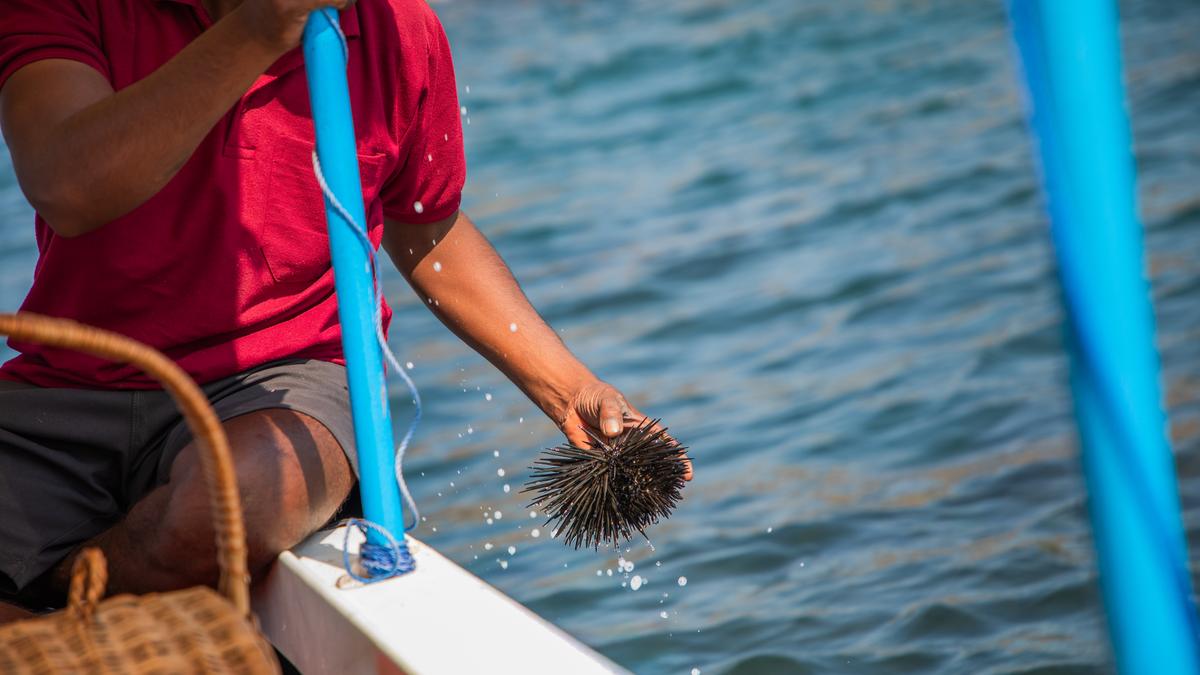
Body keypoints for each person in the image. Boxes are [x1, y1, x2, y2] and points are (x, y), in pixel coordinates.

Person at [0, 0, 692, 624]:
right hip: (70, 390)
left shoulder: (397, 29)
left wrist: (568, 386)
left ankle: (54, 592)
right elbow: (67, 181)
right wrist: (256, 31)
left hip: (279, 384)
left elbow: (425, 228)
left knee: (237, 502)